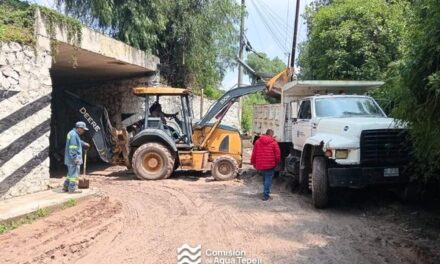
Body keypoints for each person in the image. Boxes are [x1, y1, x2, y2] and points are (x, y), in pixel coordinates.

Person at [251, 129, 281, 201]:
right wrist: (277, 162)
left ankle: (265, 191)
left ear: (265, 134)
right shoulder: (274, 143)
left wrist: (253, 162)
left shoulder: (258, 142)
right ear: (271, 135)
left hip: (261, 164)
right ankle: (266, 195)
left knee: (265, 178)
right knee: (268, 178)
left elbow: (254, 153)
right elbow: (277, 154)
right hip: (270, 164)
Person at [63, 121, 90, 193]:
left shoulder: (72, 133)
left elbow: (77, 141)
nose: (84, 131)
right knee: (74, 175)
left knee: (70, 174)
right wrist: (75, 158)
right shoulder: (74, 135)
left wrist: (84, 143)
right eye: (83, 129)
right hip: (73, 159)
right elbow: (73, 148)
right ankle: (72, 189)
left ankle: (65, 187)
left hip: (69, 158)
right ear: (79, 128)